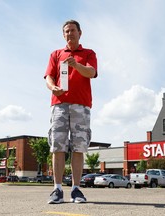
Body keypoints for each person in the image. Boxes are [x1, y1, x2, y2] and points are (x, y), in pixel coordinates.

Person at [44, 20, 97, 204]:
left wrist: (76, 65)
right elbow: (49, 76)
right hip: (59, 104)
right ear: (63, 35)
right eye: (66, 31)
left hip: (81, 106)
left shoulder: (88, 53)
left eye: (72, 30)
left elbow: (91, 72)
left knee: (78, 147)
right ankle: (57, 189)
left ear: (80, 33)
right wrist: (53, 87)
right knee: (58, 146)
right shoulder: (56, 54)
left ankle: (76, 189)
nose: (69, 34)